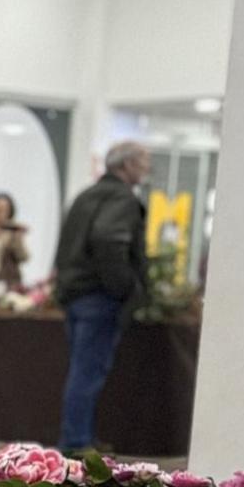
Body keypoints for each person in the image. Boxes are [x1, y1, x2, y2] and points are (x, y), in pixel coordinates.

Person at [55, 141, 152, 454]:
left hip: (75, 294)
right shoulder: (122, 199)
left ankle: (79, 439)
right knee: (87, 373)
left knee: (81, 371)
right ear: (126, 166)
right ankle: (76, 444)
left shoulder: (85, 195)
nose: (147, 169)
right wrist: (126, 288)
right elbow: (109, 242)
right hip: (99, 297)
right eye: (143, 162)